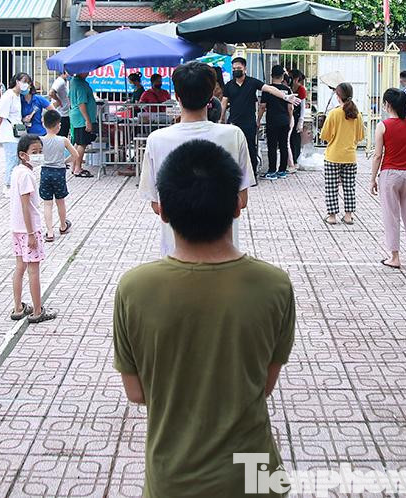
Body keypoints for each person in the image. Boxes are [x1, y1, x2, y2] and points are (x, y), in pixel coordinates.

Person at [115, 139, 295, 497]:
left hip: (173, 478)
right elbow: (265, 385)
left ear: (163, 210)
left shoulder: (134, 289)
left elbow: (136, 392)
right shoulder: (274, 285)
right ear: (236, 206)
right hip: (255, 477)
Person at [138, 61, 254, 258]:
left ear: (177, 96)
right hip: (224, 255)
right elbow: (241, 200)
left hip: (176, 254)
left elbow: (157, 205)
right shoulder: (234, 135)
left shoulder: (156, 139)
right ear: (211, 96)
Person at [220, 56, 300, 177]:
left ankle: (252, 174)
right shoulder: (229, 85)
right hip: (233, 123)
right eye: (234, 68)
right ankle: (234, 175)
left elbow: (270, 89)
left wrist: (285, 97)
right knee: (233, 150)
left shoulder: (252, 82)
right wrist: (221, 119)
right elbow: (224, 103)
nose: (236, 70)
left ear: (245, 69)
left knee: (251, 149)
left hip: (249, 123)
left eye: (239, 68)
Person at [8, 134, 57, 323]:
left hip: (16, 228)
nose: (38, 155)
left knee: (20, 267)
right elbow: (26, 206)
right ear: (23, 154)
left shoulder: (17, 172)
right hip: (29, 230)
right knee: (33, 270)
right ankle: (37, 311)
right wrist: (31, 234)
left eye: (40, 152)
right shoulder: (27, 175)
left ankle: (18, 307)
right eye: (34, 152)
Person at [371, 88, 406, 270]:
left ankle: (395, 256)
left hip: (390, 173)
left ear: (387, 104)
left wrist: (372, 178)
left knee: (391, 216)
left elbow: (377, 155)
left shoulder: (383, 125)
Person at [320, 82, 366, 226]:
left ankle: (332, 216)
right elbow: (360, 136)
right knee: (349, 187)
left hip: (333, 156)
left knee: (332, 187)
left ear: (338, 96)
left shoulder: (334, 113)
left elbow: (325, 136)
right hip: (350, 157)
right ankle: (348, 216)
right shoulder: (356, 114)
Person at [39, 110, 79, 242]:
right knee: (60, 201)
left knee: (47, 204)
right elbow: (75, 155)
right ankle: (62, 225)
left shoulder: (41, 140)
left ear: (43, 124)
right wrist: (64, 161)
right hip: (59, 172)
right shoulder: (63, 140)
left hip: (45, 172)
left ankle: (49, 232)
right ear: (59, 125)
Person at [0, 72, 31, 193]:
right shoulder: (8, 95)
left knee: (16, 159)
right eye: (24, 82)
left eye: (27, 82)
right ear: (17, 81)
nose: (26, 85)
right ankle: (8, 186)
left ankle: (14, 184)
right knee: (12, 159)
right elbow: (0, 114)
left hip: (15, 133)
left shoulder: (17, 96)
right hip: (9, 133)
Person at [258, 65, 293, 180]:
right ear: (283, 76)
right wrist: (290, 119)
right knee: (283, 145)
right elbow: (290, 108)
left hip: (272, 121)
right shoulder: (287, 90)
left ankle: (272, 171)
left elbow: (262, 107)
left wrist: (258, 120)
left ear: (271, 75)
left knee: (272, 146)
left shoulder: (267, 89)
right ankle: (282, 170)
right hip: (284, 121)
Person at [68, 72, 97, 178]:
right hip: (81, 118)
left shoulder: (75, 82)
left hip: (77, 117)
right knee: (82, 143)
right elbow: (81, 103)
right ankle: (77, 168)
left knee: (77, 142)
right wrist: (88, 120)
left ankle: (74, 166)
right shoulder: (79, 84)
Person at [287, 69, 307, 172]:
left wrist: (301, 121)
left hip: (296, 116)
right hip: (286, 115)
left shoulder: (301, 90)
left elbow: (303, 107)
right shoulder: (287, 88)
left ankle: (295, 161)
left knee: (295, 140)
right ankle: (288, 161)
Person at [48, 69, 72, 137]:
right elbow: (51, 93)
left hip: (63, 113)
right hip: (61, 114)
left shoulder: (64, 82)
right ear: (65, 72)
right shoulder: (60, 81)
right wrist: (58, 100)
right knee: (61, 137)